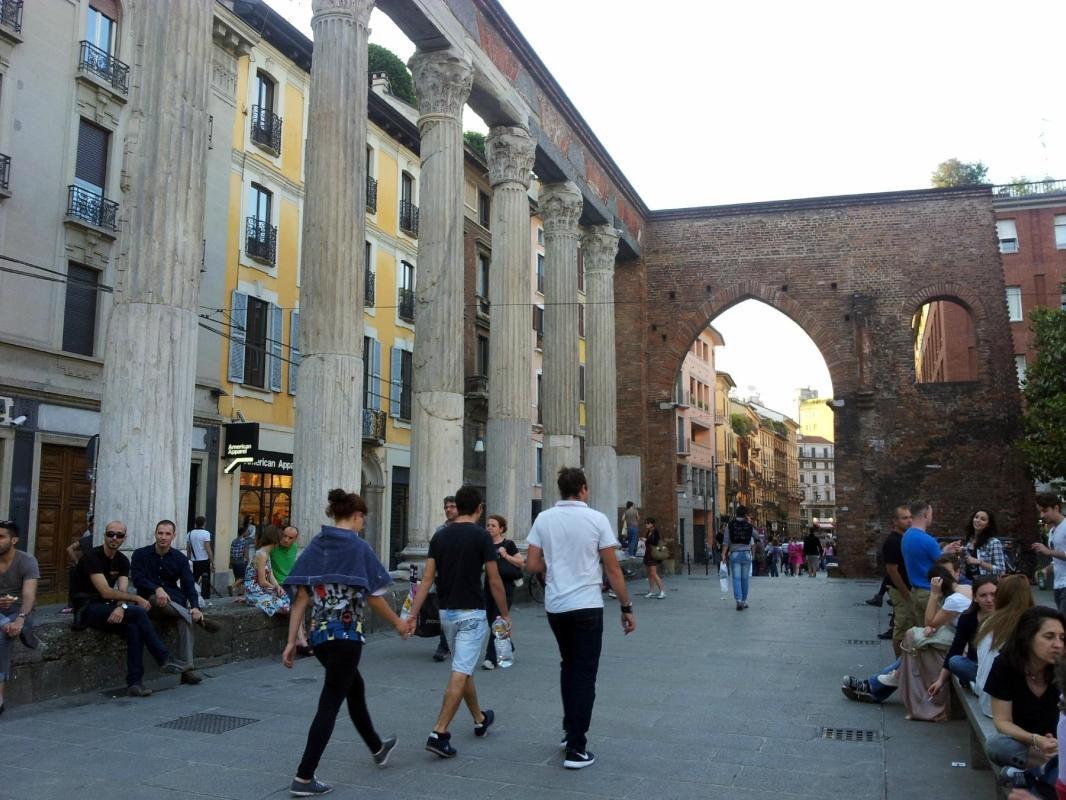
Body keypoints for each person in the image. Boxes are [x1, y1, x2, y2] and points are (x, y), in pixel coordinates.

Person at [281, 489, 407, 797]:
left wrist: (290, 642)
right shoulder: (358, 547)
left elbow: (300, 598)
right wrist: (399, 623)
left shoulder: (317, 544)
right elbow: (374, 597)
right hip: (347, 636)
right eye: (363, 518)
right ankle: (304, 776)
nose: (363, 524)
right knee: (330, 703)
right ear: (357, 516)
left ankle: (378, 747)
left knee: (354, 687)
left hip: (320, 637)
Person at [527, 467, 635, 770]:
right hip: (587, 605)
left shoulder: (544, 518)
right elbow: (612, 569)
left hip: (556, 606)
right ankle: (576, 747)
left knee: (568, 665)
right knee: (585, 674)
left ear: (561, 490)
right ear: (584, 489)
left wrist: (552, 566)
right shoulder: (597, 519)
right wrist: (626, 607)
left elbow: (533, 563)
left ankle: (569, 729)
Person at [405, 485, 511, 759]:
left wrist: (412, 615)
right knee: (461, 669)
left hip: (446, 614)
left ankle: (479, 719)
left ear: (458, 506)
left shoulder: (439, 537)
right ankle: (439, 732)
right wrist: (504, 613)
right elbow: (494, 578)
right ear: (478, 509)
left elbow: (427, 580)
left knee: (463, 669)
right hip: (473, 613)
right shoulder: (482, 537)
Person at [841, 557, 970, 717]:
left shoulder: (956, 598)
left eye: (946, 574)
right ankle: (873, 686)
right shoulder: (959, 591)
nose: (941, 580)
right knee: (913, 649)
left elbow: (929, 621)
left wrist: (934, 594)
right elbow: (937, 623)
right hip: (955, 643)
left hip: (961, 649)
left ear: (958, 573)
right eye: (938, 576)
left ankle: (873, 686)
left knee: (914, 648)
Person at [70, 520, 186, 696]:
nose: (114, 538)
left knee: (134, 627)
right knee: (139, 612)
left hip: (107, 607)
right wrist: (136, 598)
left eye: (119, 535)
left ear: (124, 538)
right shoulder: (91, 557)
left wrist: (123, 607)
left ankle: (135, 682)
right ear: (104, 535)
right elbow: (106, 591)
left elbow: (121, 591)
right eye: (111, 534)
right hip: (87, 607)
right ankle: (163, 658)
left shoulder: (122, 560)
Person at [984, 607, 1065, 794]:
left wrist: (1058, 742)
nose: (1058, 644)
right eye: (1049, 636)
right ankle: (1044, 771)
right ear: (1028, 638)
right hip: (1027, 745)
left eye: (1062, 638)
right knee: (996, 745)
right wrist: (1036, 740)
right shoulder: (1005, 665)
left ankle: (1033, 774)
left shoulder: (1063, 669)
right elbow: (1002, 721)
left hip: (1059, 743)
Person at [131, 520, 221, 685]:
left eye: (167, 534)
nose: (163, 537)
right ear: (155, 533)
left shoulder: (179, 558)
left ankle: (187, 670)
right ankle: (199, 620)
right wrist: (156, 588)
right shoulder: (140, 554)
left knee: (184, 621)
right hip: (149, 602)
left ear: (173, 536)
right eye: (160, 533)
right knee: (157, 599)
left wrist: (195, 606)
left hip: (174, 604)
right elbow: (137, 579)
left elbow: (188, 585)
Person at [975, 574, 1036, 717]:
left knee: (960, 663)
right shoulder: (1029, 624)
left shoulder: (988, 621)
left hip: (985, 696)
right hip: (1004, 706)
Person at [927, 575, 998, 696]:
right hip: (976, 665)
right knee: (955, 662)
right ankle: (980, 683)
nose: (989, 600)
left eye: (993, 594)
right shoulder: (968, 618)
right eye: (983, 595)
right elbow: (956, 649)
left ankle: (984, 685)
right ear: (975, 598)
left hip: (998, 666)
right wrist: (940, 681)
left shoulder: (1006, 616)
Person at [901, 501, 962, 630]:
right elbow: (944, 565)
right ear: (925, 515)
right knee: (932, 632)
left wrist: (945, 551)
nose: (932, 517)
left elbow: (927, 557)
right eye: (931, 514)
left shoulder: (907, 536)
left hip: (916, 591)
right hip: (929, 593)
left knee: (919, 632)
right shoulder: (928, 540)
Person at [0, 520, 38, 715]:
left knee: (2, 637)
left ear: (13, 540)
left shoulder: (27, 560)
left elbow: (29, 596)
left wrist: (20, 619)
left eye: (1, 537)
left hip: (19, 610)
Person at [483, 514, 523, 670]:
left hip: (505, 587)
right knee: (489, 620)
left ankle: (490, 659)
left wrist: (505, 555)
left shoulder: (508, 544)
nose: (489, 528)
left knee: (496, 620)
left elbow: (521, 562)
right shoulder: (484, 544)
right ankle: (507, 642)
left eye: (493, 525)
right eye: (488, 525)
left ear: (501, 529)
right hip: (488, 586)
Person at [880, 506, 914, 656]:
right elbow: (892, 571)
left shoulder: (904, 538)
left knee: (905, 626)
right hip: (901, 591)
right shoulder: (893, 541)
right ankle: (899, 666)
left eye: (909, 517)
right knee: (901, 628)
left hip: (907, 589)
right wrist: (906, 594)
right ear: (895, 521)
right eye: (904, 518)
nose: (909, 520)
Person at [430, 495, 459, 663]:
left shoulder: (468, 528)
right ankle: (444, 645)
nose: (448, 510)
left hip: (462, 579)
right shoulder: (440, 530)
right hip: (443, 578)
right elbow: (433, 554)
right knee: (445, 612)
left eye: (452, 506)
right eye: (446, 507)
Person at [244, 526, 292, 617]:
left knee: (290, 601)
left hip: (261, 590)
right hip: (256, 592)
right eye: (282, 537)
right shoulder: (261, 555)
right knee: (288, 607)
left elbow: (270, 575)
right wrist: (274, 588)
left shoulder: (266, 553)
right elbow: (262, 582)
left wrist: (278, 587)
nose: (284, 540)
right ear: (276, 540)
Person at [1032, 492, 1066, 616]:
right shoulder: (1052, 531)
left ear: (1056, 507)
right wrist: (1046, 570)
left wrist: (1048, 551)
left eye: (1045, 510)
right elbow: (1058, 562)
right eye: (1040, 511)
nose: (1042, 515)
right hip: (1058, 585)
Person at [721, 505, 756, 611]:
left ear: (736, 513)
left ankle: (739, 601)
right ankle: (744, 601)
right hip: (746, 554)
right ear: (745, 514)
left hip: (735, 553)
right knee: (745, 579)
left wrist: (723, 554)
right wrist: (749, 523)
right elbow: (756, 536)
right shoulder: (748, 525)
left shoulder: (729, 525)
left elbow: (726, 542)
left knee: (736, 578)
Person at [963, 509, 1007, 578]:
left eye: (983, 519)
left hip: (984, 584)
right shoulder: (969, 540)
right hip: (966, 582)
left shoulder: (994, 542)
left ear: (988, 524)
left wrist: (980, 562)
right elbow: (967, 565)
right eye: (976, 517)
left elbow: (1001, 570)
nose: (978, 520)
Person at [63, 523, 95, 613]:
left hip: (83, 566)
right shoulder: (98, 540)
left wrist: (77, 561)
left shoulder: (85, 540)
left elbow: (69, 549)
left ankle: (72, 605)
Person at [186, 516, 214, 602]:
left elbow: (188, 549)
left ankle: (193, 597)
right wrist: (212, 562)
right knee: (206, 581)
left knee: (194, 580)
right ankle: (205, 598)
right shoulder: (206, 533)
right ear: (204, 523)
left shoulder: (189, 533)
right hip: (204, 561)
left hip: (194, 561)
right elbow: (208, 548)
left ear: (195, 523)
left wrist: (189, 560)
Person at [642, 518, 665, 599]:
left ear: (652, 524)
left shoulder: (655, 532)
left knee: (654, 573)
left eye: (648, 523)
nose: (646, 524)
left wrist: (646, 540)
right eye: (645, 523)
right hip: (647, 554)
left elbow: (656, 543)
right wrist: (644, 541)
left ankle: (662, 591)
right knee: (649, 574)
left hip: (653, 555)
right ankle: (651, 591)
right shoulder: (648, 531)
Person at [230, 526, 251, 598]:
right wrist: (248, 561)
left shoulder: (233, 540)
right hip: (241, 561)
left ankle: (240, 592)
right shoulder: (245, 541)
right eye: (246, 531)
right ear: (244, 533)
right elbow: (246, 553)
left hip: (233, 561)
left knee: (237, 577)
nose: (247, 532)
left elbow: (231, 551)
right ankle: (232, 586)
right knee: (242, 577)